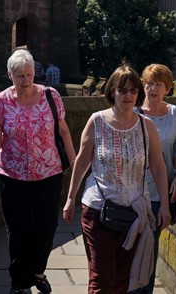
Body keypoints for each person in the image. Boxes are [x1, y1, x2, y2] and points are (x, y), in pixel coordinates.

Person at [62, 64, 170, 293]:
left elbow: (159, 168)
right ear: (112, 92)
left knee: (123, 281)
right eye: (122, 90)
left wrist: (165, 205)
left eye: (133, 90)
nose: (128, 95)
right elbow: (82, 162)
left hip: (133, 214)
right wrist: (70, 198)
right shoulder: (97, 121)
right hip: (97, 210)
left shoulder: (146, 127)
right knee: (102, 280)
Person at [0, 49, 77, 294]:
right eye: (20, 76)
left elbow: (64, 132)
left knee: (46, 226)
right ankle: (20, 282)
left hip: (49, 173)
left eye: (29, 75)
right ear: (9, 75)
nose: (25, 81)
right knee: (18, 229)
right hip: (12, 175)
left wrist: (75, 163)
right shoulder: (0, 101)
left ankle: (38, 271)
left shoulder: (51, 96)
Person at [130, 64, 176, 294]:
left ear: (167, 89)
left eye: (158, 84)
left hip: (160, 195)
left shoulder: (174, 113)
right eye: (149, 83)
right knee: (134, 250)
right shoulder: (134, 113)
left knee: (149, 249)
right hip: (134, 193)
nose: (152, 88)